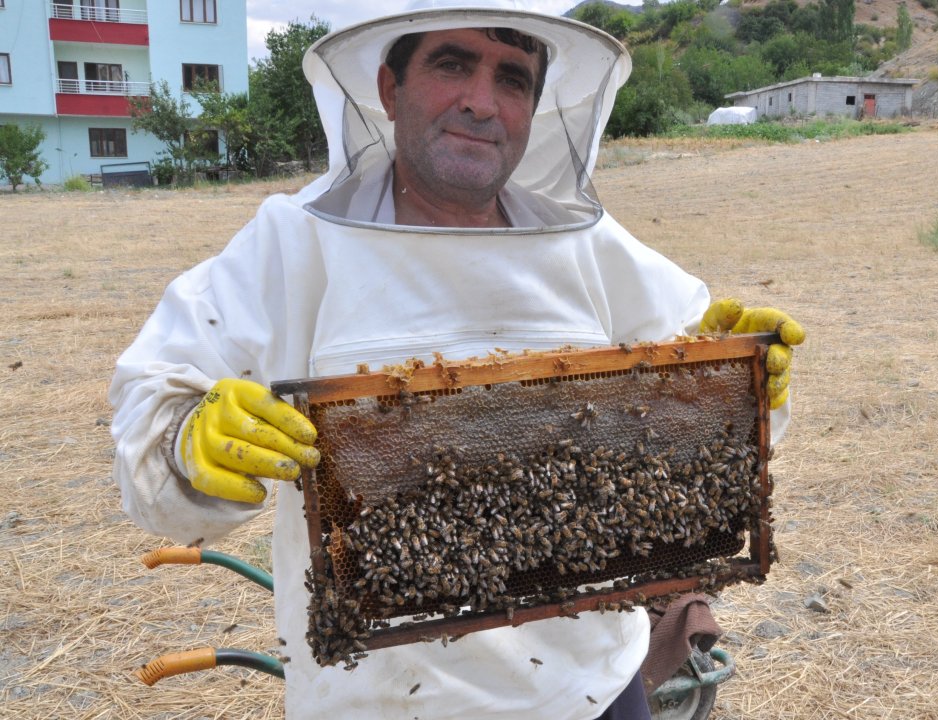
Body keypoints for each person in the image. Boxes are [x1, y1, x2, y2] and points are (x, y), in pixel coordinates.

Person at [109, 2, 804, 718]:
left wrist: (740, 386)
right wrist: (186, 441)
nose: (481, 101)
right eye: (452, 64)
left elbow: (716, 430)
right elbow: (153, 408)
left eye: (513, 78)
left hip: (590, 685)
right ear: (389, 88)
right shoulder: (292, 244)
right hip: (382, 702)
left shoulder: (592, 249)